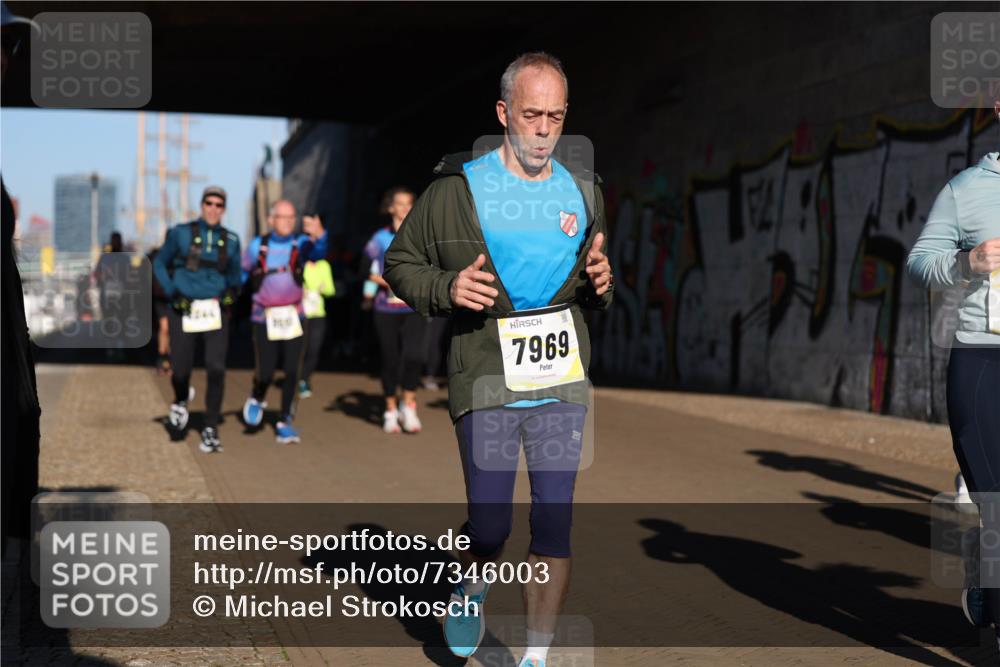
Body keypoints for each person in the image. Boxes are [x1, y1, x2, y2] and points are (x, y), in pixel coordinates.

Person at [384, 52, 613, 667]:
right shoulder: (454, 189)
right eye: (532, 114)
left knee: (554, 525)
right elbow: (399, 263)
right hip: (486, 369)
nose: (544, 130)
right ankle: (469, 583)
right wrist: (447, 288)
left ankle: (536, 655)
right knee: (489, 527)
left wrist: (602, 280)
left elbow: (594, 277)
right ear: (503, 112)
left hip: (561, 377)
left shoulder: (584, 189)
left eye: (557, 117)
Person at [906, 97, 1000, 648]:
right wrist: (967, 263)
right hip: (983, 364)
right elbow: (922, 261)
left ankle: (987, 588)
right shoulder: (967, 189)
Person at [153, 186, 241, 453]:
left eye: (219, 205)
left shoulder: (232, 240)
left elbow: (237, 275)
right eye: (209, 203)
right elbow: (158, 263)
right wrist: (171, 292)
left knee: (216, 368)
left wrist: (231, 293)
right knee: (180, 369)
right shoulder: (181, 233)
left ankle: (211, 428)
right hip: (183, 309)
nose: (213, 208)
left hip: (214, 312)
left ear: (224, 209)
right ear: (201, 205)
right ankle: (181, 399)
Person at [241, 201, 327, 444]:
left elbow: (320, 253)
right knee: (266, 371)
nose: (288, 221)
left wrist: (320, 235)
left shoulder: (300, 244)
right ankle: (258, 395)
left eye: (292, 217)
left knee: (292, 371)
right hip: (263, 317)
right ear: (271, 219)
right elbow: (241, 273)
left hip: (294, 317)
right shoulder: (258, 246)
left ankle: (284, 420)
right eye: (282, 217)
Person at [365, 187, 426, 434]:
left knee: (413, 356)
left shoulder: (422, 237)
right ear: (390, 207)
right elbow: (366, 271)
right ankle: (390, 409)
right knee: (390, 359)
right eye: (399, 204)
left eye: (408, 204)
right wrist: (388, 282)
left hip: (413, 307)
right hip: (385, 308)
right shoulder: (378, 239)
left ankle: (408, 404)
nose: (403, 208)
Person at [298, 216, 336, 398]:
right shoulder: (300, 264)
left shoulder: (324, 265)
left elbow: (331, 290)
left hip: (318, 313)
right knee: (300, 348)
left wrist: (321, 289)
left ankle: (304, 379)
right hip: (300, 312)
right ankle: (296, 376)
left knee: (314, 348)